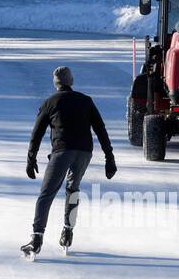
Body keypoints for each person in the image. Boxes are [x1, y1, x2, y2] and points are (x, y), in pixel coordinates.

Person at [21, 66, 116, 257]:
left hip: (62, 151)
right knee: (73, 190)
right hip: (83, 153)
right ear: (71, 81)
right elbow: (100, 129)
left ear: (55, 83)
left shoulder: (50, 102)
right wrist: (109, 157)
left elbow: (37, 132)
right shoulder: (86, 101)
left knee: (46, 194)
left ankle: (37, 238)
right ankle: (68, 231)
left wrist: (31, 158)